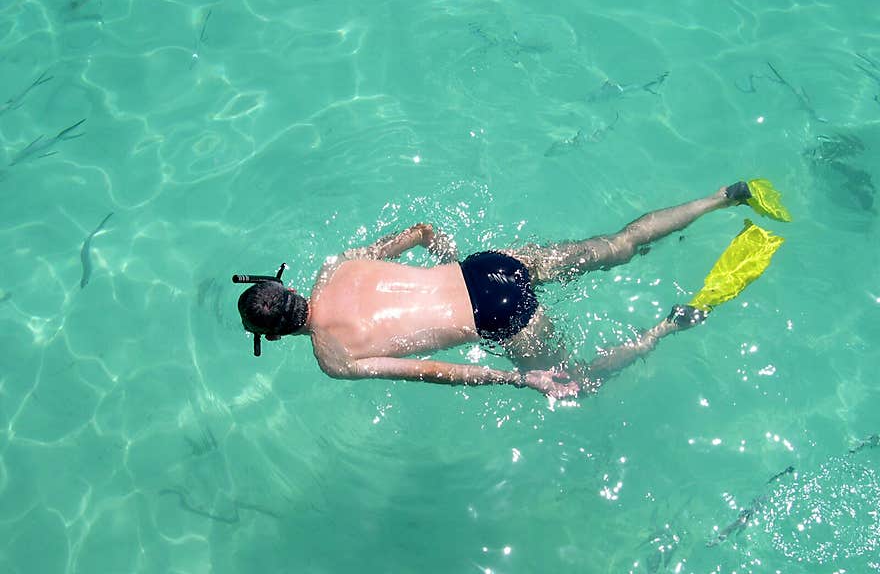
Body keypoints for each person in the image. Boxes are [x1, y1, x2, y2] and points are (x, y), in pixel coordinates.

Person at [233, 179, 791, 398]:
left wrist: (522, 380)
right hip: (488, 267)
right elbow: (421, 231)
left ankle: (671, 323)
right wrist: (445, 257)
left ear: (276, 336)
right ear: (280, 286)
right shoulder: (337, 267)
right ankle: (725, 196)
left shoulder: (334, 355)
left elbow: (435, 371)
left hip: (499, 316)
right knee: (617, 244)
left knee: (573, 380)